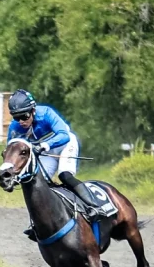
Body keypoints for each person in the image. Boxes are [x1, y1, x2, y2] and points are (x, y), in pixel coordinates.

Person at [6, 89, 103, 239]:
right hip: (45, 151)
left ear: (33, 110)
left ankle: (94, 207)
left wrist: (44, 145)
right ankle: (39, 223)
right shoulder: (15, 127)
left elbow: (64, 135)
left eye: (24, 116)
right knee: (38, 183)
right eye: (16, 117)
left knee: (65, 175)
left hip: (65, 144)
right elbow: (12, 150)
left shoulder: (46, 113)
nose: (21, 122)